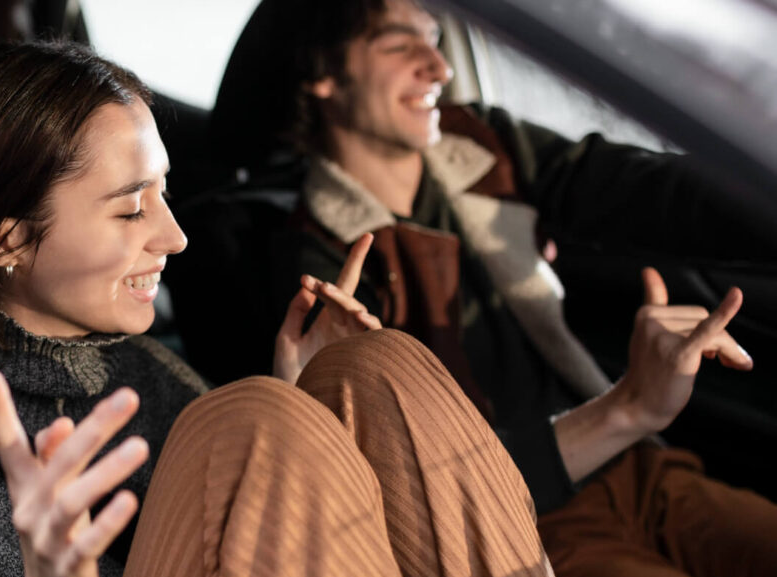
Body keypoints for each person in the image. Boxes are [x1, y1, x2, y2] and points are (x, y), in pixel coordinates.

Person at [0, 41, 555, 577]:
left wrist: (302, 407)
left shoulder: (149, 373)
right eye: (132, 209)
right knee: (249, 418)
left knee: (377, 365)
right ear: (1, 237)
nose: (175, 234)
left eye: (163, 193)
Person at [235, 0, 777, 575]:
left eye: (434, 39)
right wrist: (630, 406)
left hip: (639, 468)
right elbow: (419, 490)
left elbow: (651, 193)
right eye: (400, 46)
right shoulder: (318, 268)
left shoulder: (484, 142)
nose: (439, 69)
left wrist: (756, 183)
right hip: (527, 526)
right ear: (322, 74)